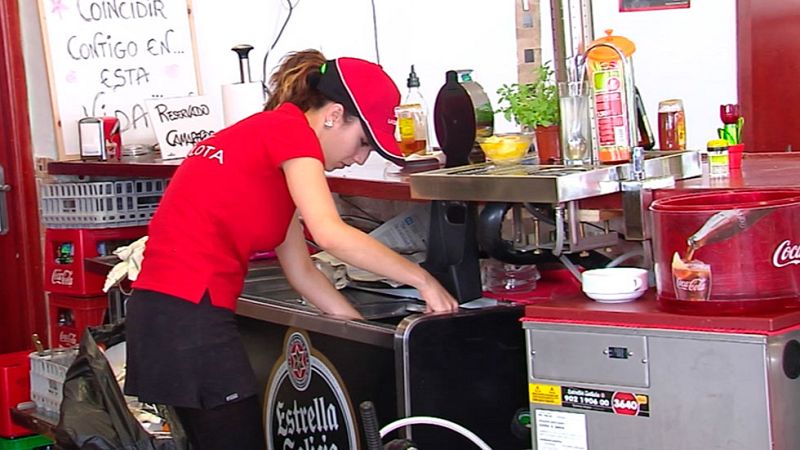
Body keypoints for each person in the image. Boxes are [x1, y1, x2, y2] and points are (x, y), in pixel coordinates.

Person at [123, 49, 459, 450]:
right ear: (334, 115)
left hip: (167, 313)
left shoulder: (270, 142)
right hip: (188, 313)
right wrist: (423, 280)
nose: (359, 158)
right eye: (363, 142)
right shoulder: (291, 135)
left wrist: (358, 334)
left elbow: (302, 272)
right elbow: (330, 233)